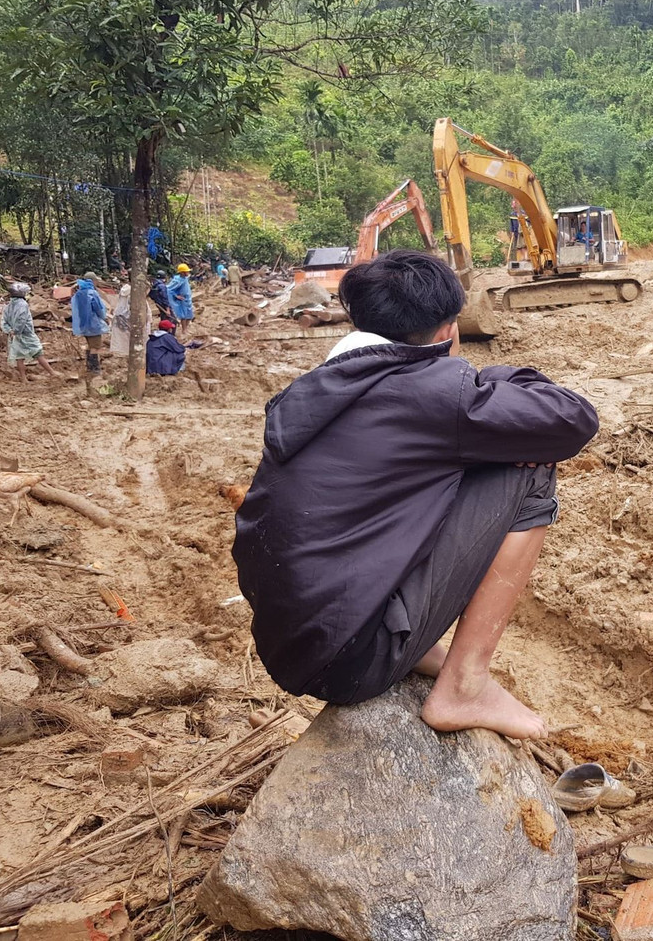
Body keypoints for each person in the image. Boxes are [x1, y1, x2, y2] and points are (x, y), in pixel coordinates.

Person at [233, 250, 599, 740]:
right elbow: (574, 420)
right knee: (527, 472)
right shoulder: (434, 392)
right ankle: (465, 685)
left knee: (419, 486)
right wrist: (484, 375)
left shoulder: (310, 392)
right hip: (351, 661)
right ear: (447, 329)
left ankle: (417, 648)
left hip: (293, 649)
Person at [0, 282, 56, 382]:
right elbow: (22, 320)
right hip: (26, 333)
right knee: (38, 352)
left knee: (19, 356)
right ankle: (52, 373)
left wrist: (10, 331)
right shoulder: (23, 304)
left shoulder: (8, 306)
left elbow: (3, 321)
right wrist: (17, 330)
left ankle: (23, 378)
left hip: (15, 335)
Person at [70, 271, 109, 374]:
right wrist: (104, 318)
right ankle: (94, 369)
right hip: (93, 324)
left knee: (90, 345)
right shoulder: (92, 293)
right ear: (93, 281)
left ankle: (89, 367)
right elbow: (98, 308)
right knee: (95, 347)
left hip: (83, 324)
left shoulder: (78, 294)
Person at [167, 263, 195, 339]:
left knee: (190, 315)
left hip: (187, 299)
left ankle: (186, 328)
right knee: (184, 316)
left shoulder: (185, 279)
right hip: (182, 300)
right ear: (182, 272)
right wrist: (176, 296)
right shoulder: (177, 280)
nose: (188, 273)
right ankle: (184, 330)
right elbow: (169, 289)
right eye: (186, 271)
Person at [110, 281, 132, 356]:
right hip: (127, 316)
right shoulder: (133, 291)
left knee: (121, 336)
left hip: (120, 314)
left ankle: (122, 352)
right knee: (128, 337)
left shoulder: (124, 289)